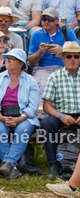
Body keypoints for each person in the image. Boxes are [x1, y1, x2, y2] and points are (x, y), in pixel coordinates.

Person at [0, 48, 40, 179]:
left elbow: (32, 106)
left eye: (12, 59)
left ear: (21, 63)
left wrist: (19, 119)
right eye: (7, 58)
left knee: (22, 131)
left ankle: (9, 163)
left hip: (23, 116)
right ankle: (13, 168)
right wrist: (0, 116)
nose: (8, 61)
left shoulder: (31, 81)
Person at [39, 40, 80, 181]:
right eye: (69, 56)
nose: (73, 60)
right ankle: (53, 164)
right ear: (63, 58)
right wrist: (61, 115)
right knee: (47, 123)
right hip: (62, 114)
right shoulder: (54, 77)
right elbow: (47, 105)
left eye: (76, 56)